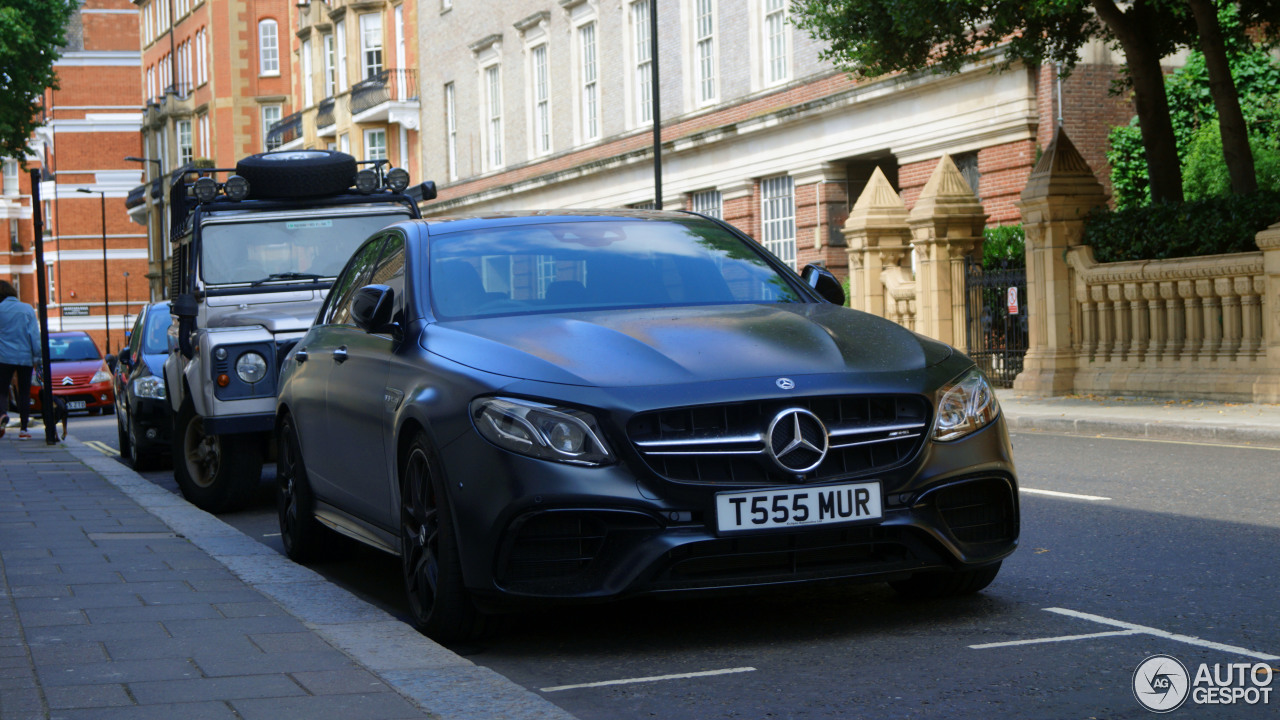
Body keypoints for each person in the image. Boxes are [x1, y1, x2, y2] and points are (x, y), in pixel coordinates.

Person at [0, 280, 43, 440]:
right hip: (25, 357)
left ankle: (2, 415)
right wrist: (37, 358)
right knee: (24, 392)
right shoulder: (27, 309)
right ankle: (24, 429)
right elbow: (34, 335)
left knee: (2, 391)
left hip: (3, 357)